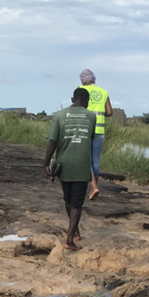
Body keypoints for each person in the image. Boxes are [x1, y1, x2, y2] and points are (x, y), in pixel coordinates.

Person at [44, 88, 96, 251]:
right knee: (77, 204)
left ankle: (75, 232)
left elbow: (52, 142)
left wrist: (46, 162)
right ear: (87, 102)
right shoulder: (91, 116)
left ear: (73, 99)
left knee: (68, 199)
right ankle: (69, 240)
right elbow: (90, 138)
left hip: (63, 164)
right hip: (81, 165)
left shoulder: (59, 116)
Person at [78, 69, 113, 200]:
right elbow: (109, 112)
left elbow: (77, 106)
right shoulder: (104, 92)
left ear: (82, 80)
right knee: (95, 160)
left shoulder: (80, 90)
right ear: (94, 79)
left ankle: (93, 188)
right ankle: (93, 188)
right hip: (99, 130)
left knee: (85, 160)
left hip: (85, 128)